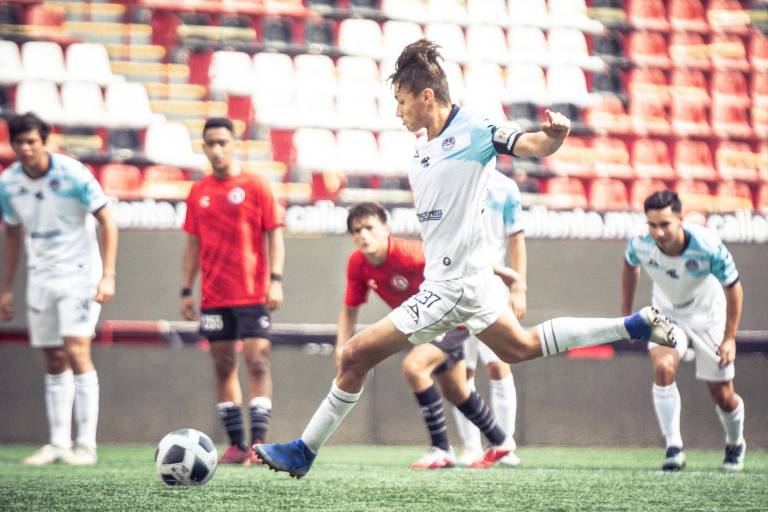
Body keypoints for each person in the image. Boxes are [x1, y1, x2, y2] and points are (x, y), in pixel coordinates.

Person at [254, 39, 680, 479]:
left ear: (426, 97)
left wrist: (554, 137)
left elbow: (530, 144)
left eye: (401, 101)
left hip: (452, 287)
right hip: (469, 280)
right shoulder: (422, 147)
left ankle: (304, 450)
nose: (397, 112)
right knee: (519, 347)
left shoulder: (475, 130)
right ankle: (631, 326)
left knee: (355, 355)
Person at [337, 202, 515, 470]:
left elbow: (460, 260)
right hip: (424, 327)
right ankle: (500, 440)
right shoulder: (357, 264)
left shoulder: (410, 254)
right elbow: (349, 309)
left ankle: (441, 449)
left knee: (414, 366)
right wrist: (341, 346)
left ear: (385, 228)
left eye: (369, 227)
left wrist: (504, 273)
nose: (363, 235)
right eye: (356, 230)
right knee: (455, 389)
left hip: (453, 317)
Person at [0, 112, 118, 465]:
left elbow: (107, 221)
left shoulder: (74, 173)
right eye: (18, 142)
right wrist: (7, 288)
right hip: (41, 277)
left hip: (80, 275)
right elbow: (12, 233)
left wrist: (108, 275)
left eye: (31, 141)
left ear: (44, 141)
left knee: (77, 350)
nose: (25, 148)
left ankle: (86, 445)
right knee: (53, 357)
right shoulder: (8, 183)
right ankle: (58, 443)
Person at [181, 117, 285, 465]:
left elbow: (275, 234)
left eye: (222, 143)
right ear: (204, 147)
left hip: (253, 294)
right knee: (223, 365)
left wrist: (276, 279)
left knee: (257, 362)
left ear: (234, 144)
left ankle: (258, 444)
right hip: (214, 297)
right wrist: (186, 289)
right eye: (210, 143)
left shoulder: (256, 185)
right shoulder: (198, 191)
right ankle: (237, 445)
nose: (217, 150)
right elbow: (192, 244)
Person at [621, 190, 746, 472]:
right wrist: (626, 313)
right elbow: (629, 266)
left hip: (708, 317)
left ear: (680, 219)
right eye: (652, 225)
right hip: (667, 313)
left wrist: (729, 338)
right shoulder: (640, 242)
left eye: (665, 224)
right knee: (663, 367)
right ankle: (674, 447)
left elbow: (734, 288)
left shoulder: (707, 245)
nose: (658, 232)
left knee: (722, 394)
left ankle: (735, 442)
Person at [448, 169, 527, 466]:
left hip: (493, 290)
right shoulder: (452, 178)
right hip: (455, 289)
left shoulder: (505, 187)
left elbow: (516, 239)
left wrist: (519, 287)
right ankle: (471, 447)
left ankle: (504, 445)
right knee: (461, 372)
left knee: (498, 365)